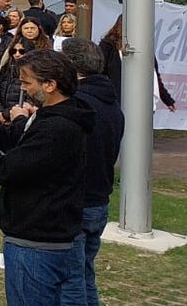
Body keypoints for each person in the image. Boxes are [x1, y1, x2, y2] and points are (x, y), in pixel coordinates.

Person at [0, 48, 94, 306]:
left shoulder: (57, 127)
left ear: (50, 85)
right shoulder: (52, 118)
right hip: (48, 235)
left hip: (37, 240)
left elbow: (7, 169)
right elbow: (18, 144)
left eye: (27, 82)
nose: (23, 89)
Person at [60, 38, 121, 306]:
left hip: (78, 200)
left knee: (71, 279)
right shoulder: (109, 101)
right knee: (84, 274)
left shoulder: (79, 104)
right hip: (97, 199)